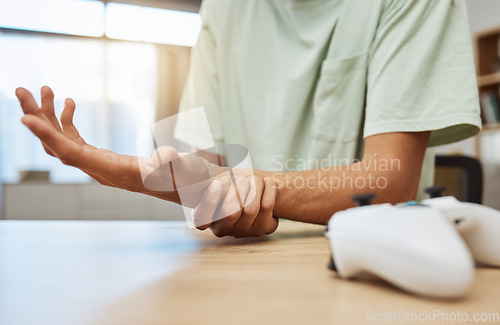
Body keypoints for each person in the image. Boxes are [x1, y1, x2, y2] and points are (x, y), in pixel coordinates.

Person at [15, 0, 481, 238]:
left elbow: (390, 180)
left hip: (373, 260)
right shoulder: (226, 7)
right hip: (246, 258)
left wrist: (257, 190)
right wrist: (211, 197)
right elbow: (207, 172)